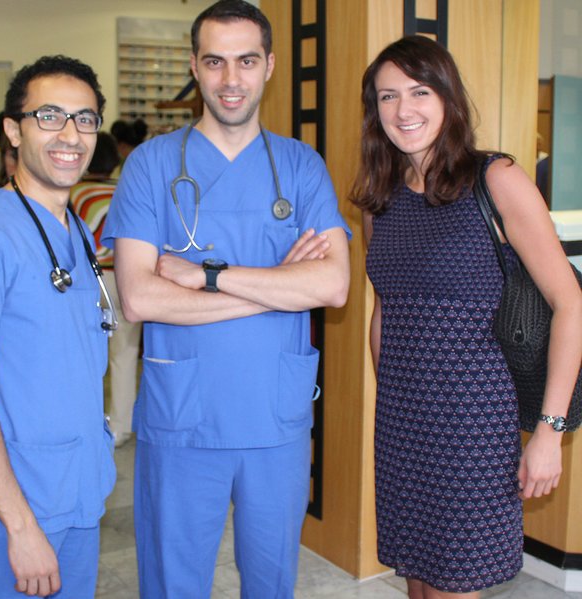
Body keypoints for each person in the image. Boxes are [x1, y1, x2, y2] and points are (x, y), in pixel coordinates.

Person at [102, 1, 351, 597]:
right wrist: (278, 286)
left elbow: (332, 286)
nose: (230, 79)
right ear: (195, 66)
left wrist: (208, 276)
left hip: (274, 422)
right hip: (181, 421)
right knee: (173, 583)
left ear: (270, 65)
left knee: (271, 581)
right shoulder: (151, 165)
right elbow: (138, 297)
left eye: (246, 60)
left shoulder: (301, 166)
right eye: (215, 62)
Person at [350, 35, 582, 599]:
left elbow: (571, 303)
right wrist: (393, 396)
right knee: (417, 580)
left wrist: (549, 433)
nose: (403, 109)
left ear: (448, 98)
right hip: (403, 421)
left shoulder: (494, 179)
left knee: (455, 583)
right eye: (387, 96)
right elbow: (384, 310)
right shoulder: (381, 197)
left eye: (419, 92)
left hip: (473, 424)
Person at [0, 55, 116, 598]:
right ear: (13, 131)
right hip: (9, 508)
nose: (71, 134)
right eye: (49, 116)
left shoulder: (75, 231)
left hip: (76, 492)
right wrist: (19, 527)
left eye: (85, 119)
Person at [71, 132, 141, 448]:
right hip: (127, 278)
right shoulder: (124, 191)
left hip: (86, 282)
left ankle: (82, 422)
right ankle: (121, 428)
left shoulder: (74, 192)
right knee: (124, 355)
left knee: (82, 355)